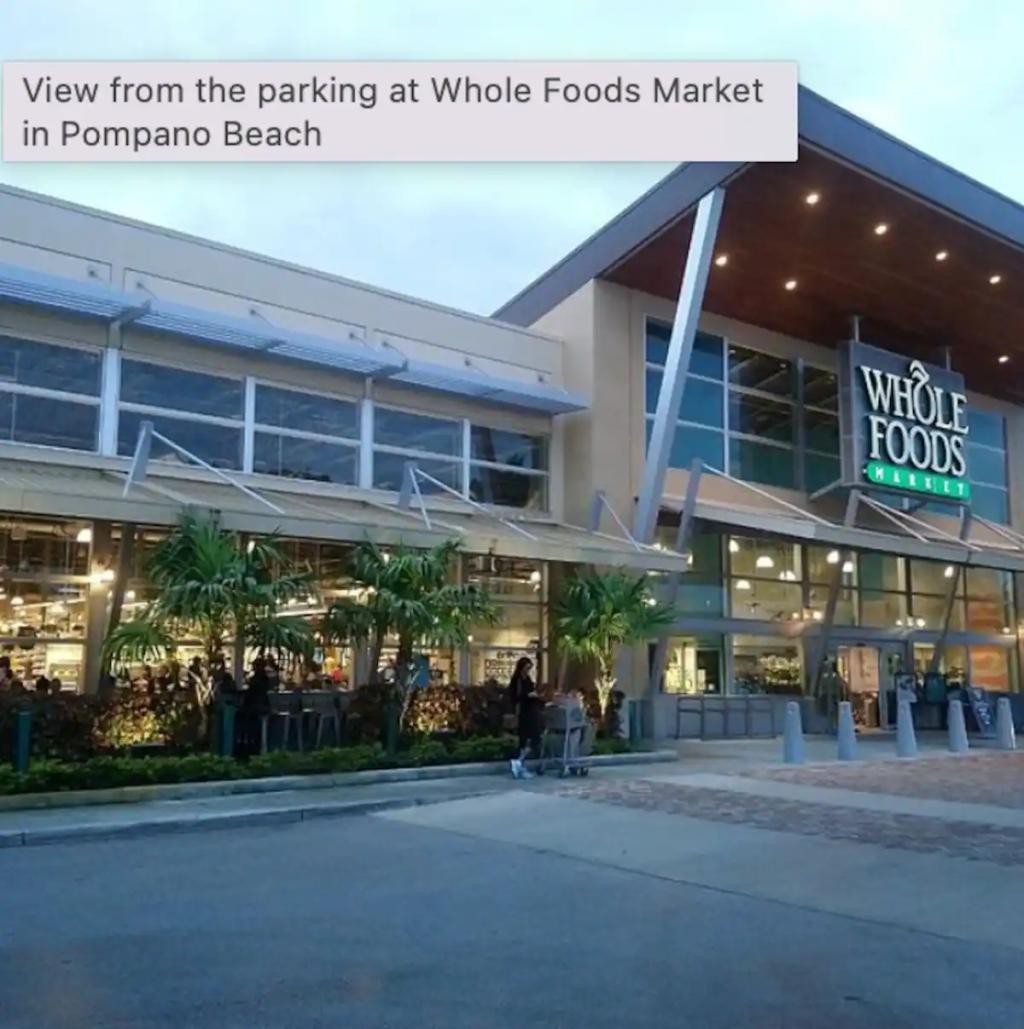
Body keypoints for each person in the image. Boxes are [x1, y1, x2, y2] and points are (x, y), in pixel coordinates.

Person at [509, 656, 543, 779]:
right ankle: (519, 761)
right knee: (531, 738)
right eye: (526, 668)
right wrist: (528, 695)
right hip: (524, 712)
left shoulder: (527, 679)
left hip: (531, 710)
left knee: (530, 739)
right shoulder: (517, 680)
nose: (528, 670)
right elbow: (515, 697)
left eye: (529, 668)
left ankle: (519, 763)